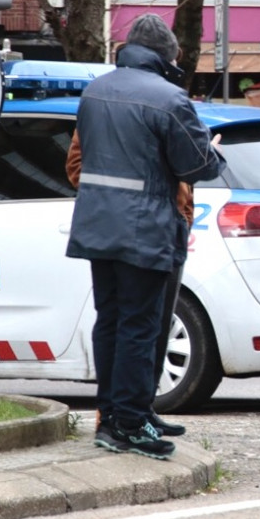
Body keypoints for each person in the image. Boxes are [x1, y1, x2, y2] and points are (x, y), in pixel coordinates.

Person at [66, 13, 224, 459]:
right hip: (146, 228)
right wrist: (211, 150)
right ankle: (130, 423)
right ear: (165, 56)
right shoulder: (169, 98)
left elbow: (83, 158)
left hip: (99, 226)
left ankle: (113, 415)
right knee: (140, 327)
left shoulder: (95, 90)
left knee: (112, 321)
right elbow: (197, 166)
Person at [66, 130, 195, 441]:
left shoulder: (159, 108)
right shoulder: (102, 115)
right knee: (127, 324)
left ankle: (141, 408)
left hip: (168, 226)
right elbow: (76, 170)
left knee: (156, 326)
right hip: (129, 227)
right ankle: (117, 415)